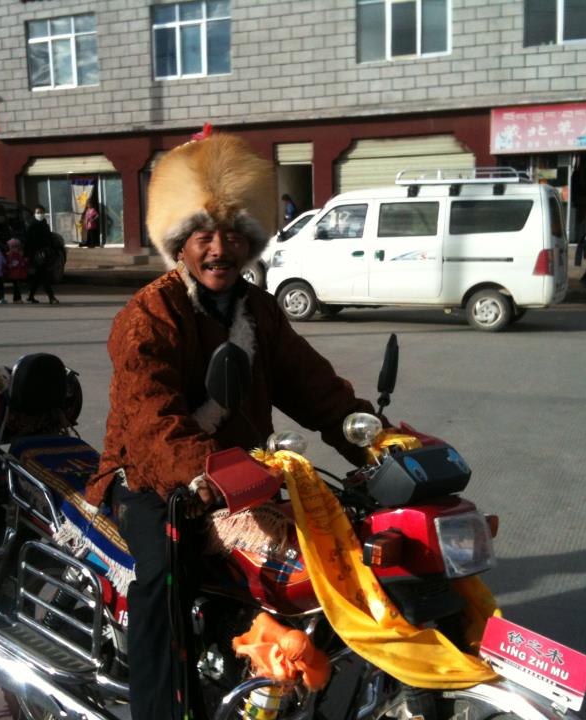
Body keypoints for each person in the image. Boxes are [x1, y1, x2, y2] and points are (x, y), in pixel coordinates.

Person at [83, 132, 383, 720]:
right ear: (180, 244)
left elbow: (313, 386)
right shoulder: (148, 315)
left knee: (333, 540)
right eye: (203, 236)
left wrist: (371, 433)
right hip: (152, 480)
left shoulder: (260, 310)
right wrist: (208, 472)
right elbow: (152, 423)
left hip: (247, 475)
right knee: (163, 580)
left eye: (233, 234)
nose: (220, 249)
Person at [25, 205, 60, 304]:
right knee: (44, 275)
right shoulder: (32, 226)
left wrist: (53, 250)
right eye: (38, 212)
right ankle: (51, 297)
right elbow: (28, 242)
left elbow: (49, 239)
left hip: (45, 254)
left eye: (41, 212)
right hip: (36, 255)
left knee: (38, 276)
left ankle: (30, 296)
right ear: (34, 214)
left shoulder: (45, 225)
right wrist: (27, 255)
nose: (39, 214)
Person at [5, 237, 28, 303]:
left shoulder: (13, 254)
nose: (15, 248)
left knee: (16, 287)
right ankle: (18, 299)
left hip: (17, 273)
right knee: (17, 287)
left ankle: (16, 299)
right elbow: (9, 263)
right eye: (13, 247)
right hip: (15, 274)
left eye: (16, 247)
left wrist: (24, 261)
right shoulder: (11, 255)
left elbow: (21, 262)